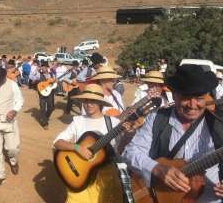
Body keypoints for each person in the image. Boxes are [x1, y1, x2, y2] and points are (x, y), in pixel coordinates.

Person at [123, 64, 223, 202]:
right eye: (186, 97)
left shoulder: (218, 123)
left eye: (199, 98)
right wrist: (157, 169)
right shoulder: (157, 119)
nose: (193, 105)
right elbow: (130, 152)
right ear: (174, 95)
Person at [53, 84, 127, 202]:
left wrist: (129, 133)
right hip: (81, 176)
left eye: (93, 101)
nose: (89, 104)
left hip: (105, 178)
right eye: (86, 100)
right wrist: (77, 148)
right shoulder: (78, 121)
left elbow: (121, 149)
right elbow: (57, 142)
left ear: (101, 103)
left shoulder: (114, 122)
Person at [37, 61, 55, 130]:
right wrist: (36, 70)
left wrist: (54, 82)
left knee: (51, 107)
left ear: (47, 68)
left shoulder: (51, 74)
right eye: (42, 67)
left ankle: (46, 117)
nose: (43, 68)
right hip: (42, 93)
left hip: (50, 93)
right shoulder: (39, 74)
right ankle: (45, 123)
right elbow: (31, 77)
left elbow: (54, 83)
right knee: (43, 108)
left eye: (45, 67)